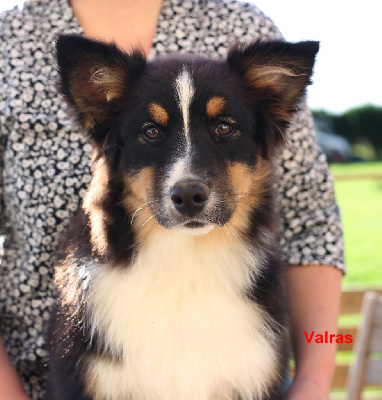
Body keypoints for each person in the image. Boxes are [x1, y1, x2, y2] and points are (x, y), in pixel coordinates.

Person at [0, 0, 345, 399]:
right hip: (37, 373)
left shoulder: (240, 22)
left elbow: (313, 222)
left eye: (224, 127)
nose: (189, 182)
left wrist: (315, 383)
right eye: (151, 133)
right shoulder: (11, 42)